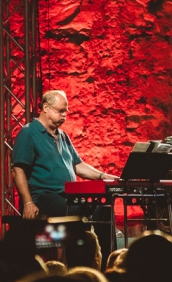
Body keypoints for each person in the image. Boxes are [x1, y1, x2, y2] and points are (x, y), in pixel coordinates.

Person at [12, 90, 114, 220]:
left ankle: (100, 241)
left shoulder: (62, 135)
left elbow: (78, 165)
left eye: (66, 111)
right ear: (46, 108)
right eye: (60, 111)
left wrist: (103, 176)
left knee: (103, 210)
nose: (64, 115)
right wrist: (28, 203)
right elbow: (18, 170)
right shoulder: (28, 133)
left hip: (68, 196)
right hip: (44, 197)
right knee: (80, 209)